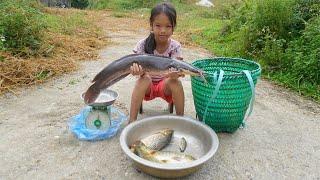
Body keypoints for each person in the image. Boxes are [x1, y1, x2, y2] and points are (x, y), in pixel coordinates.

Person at [129, 2, 184, 123]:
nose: (163, 30)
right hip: (147, 87)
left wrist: (176, 75)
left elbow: (178, 70)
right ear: (151, 25)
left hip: (165, 86)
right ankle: (131, 121)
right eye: (158, 25)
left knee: (176, 82)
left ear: (174, 27)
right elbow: (137, 70)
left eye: (168, 26)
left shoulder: (175, 47)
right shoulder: (142, 45)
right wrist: (136, 71)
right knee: (143, 79)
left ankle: (181, 121)